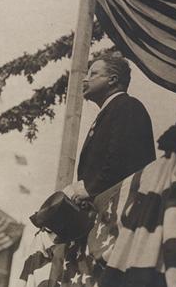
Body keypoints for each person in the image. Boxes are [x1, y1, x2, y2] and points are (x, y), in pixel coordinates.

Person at [64, 53, 156, 201]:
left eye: (93, 74)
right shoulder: (112, 110)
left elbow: (121, 159)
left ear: (112, 80)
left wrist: (91, 191)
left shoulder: (127, 106)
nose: (85, 79)